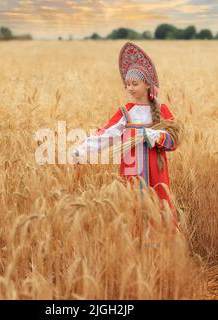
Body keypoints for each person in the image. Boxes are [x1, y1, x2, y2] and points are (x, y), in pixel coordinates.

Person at [71, 42, 183, 229]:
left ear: (147, 84)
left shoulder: (162, 110)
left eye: (134, 84)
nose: (129, 88)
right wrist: (82, 150)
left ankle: (163, 252)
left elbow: (174, 141)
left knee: (160, 210)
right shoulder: (126, 112)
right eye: (127, 84)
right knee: (133, 212)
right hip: (131, 171)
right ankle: (136, 251)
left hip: (157, 173)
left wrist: (156, 136)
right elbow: (105, 135)